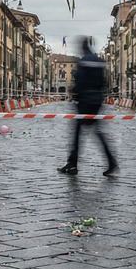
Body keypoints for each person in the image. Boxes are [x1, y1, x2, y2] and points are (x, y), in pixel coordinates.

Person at [58, 36, 117, 176]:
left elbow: (79, 81)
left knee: (77, 133)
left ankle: (72, 165)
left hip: (85, 101)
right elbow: (104, 81)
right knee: (97, 132)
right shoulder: (98, 61)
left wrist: (75, 94)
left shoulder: (83, 62)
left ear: (82, 48)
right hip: (97, 100)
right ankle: (111, 161)